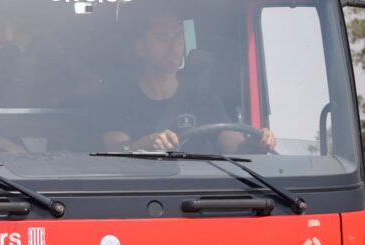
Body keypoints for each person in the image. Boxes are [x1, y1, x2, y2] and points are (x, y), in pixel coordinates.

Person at [101, 13, 277, 155]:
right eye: (161, 38)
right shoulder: (120, 99)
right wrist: (144, 145)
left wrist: (257, 144)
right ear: (141, 48)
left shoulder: (203, 96)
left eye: (177, 37)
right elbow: (115, 149)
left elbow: (237, 148)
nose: (173, 46)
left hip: (196, 193)